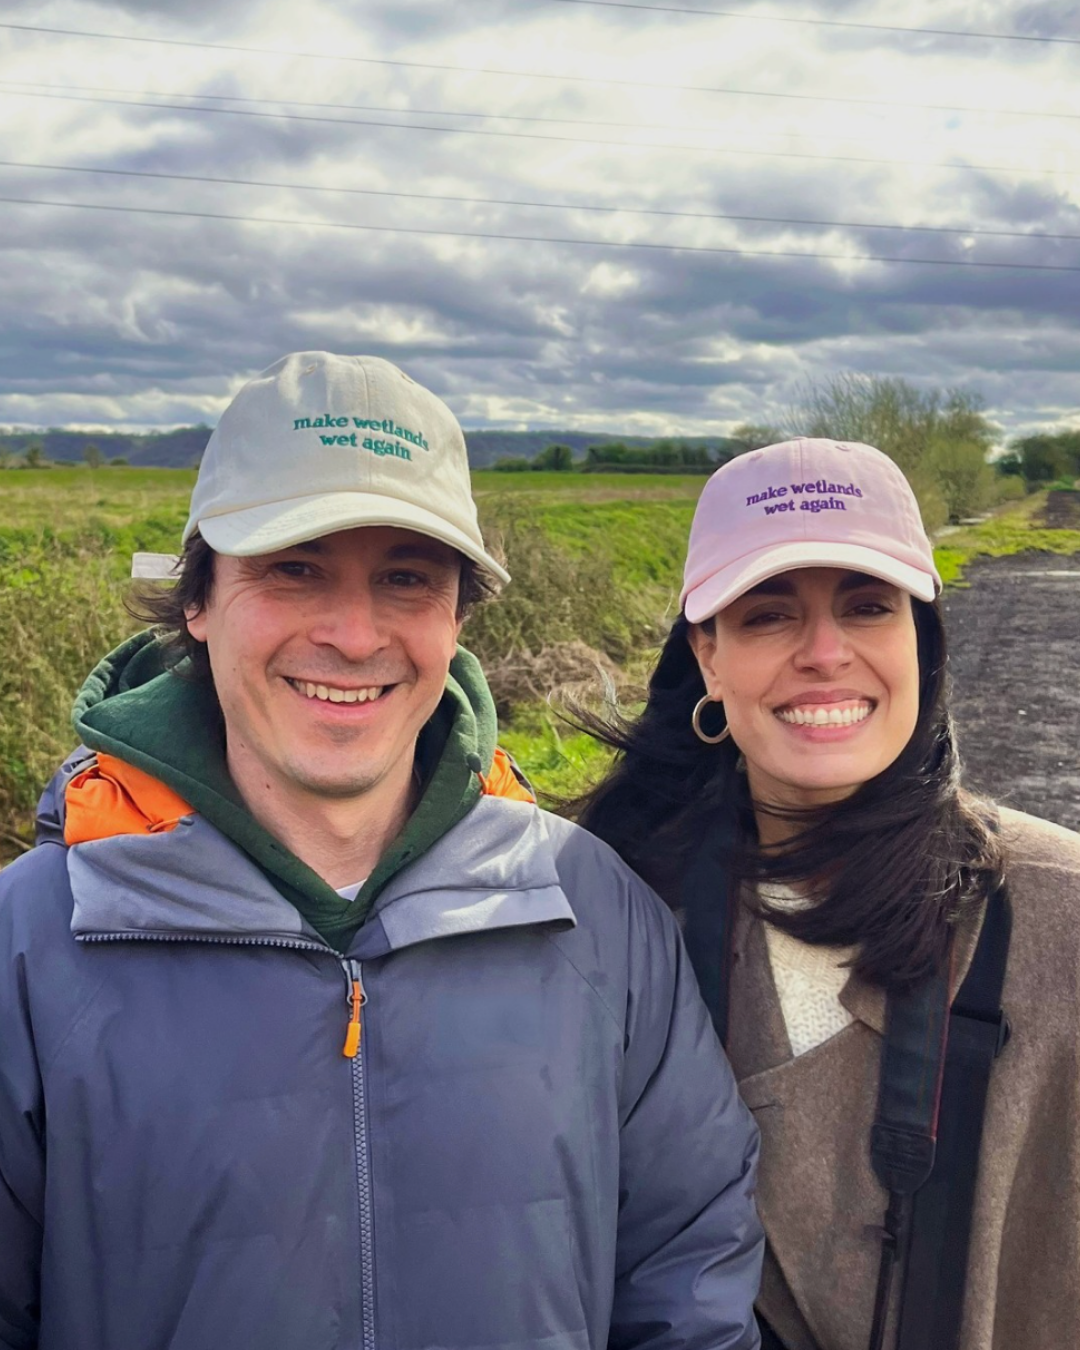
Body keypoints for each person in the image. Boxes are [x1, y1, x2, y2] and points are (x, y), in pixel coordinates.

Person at [0, 352, 764, 1350]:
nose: (354, 635)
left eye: (405, 578)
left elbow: (689, 1273)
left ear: (457, 620)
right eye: (294, 569)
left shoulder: (591, 912)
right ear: (196, 600)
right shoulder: (34, 941)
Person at [578, 437, 1080, 1350]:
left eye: (866, 607)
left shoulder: (1059, 914)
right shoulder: (619, 917)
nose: (824, 653)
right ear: (708, 655)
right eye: (769, 614)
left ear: (921, 642)